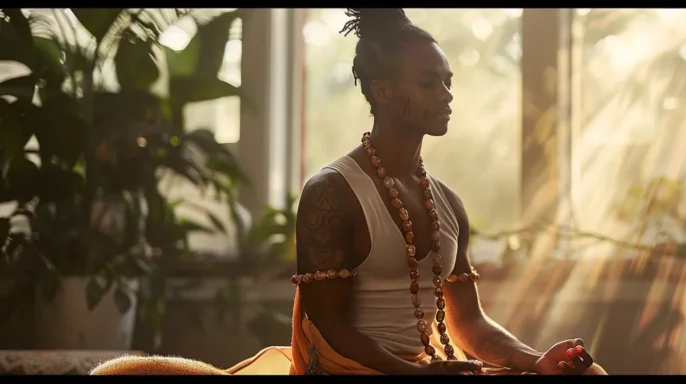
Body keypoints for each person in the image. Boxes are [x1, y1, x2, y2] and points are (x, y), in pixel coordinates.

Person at [90, 8, 606, 376]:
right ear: (383, 91)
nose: (448, 94)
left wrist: (534, 359)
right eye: (430, 83)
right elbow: (329, 326)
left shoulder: (448, 202)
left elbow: (467, 322)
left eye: (448, 81)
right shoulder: (331, 194)